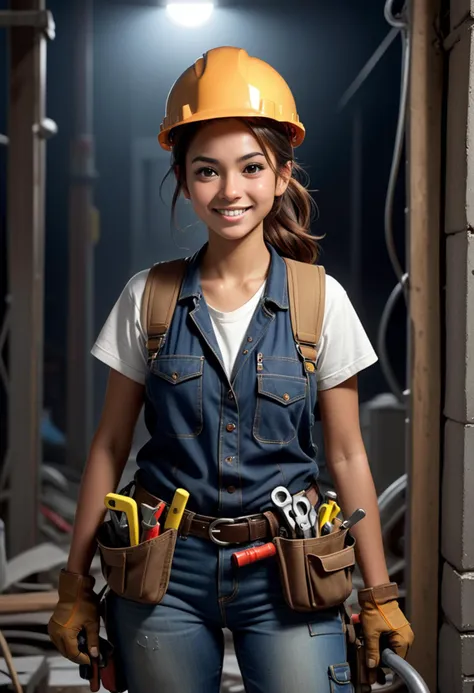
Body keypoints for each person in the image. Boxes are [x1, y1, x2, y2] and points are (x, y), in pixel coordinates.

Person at [48, 46, 414, 693]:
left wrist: (379, 593)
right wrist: (75, 587)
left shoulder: (319, 300)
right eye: (207, 171)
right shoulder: (149, 297)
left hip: (289, 570)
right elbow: (108, 447)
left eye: (250, 167)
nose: (231, 190)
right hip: (165, 570)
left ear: (280, 174)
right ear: (186, 181)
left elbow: (348, 453)